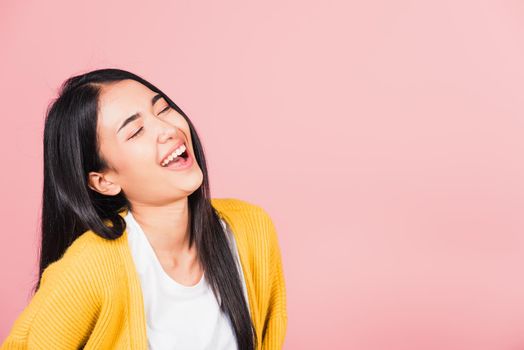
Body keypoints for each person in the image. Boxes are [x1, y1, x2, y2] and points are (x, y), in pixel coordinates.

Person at [1, 68, 287, 349]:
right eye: (136, 131)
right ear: (104, 181)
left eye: (162, 109)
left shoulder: (251, 229)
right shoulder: (90, 268)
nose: (167, 129)